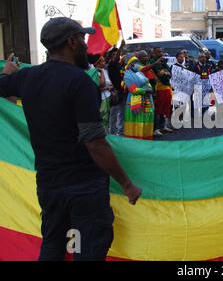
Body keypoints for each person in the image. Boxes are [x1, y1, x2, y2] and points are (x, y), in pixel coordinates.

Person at [0, 17, 141, 261]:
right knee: (89, 249)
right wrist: (126, 183)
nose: (88, 46)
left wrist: (6, 72)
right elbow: (95, 142)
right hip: (84, 187)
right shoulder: (79, 83)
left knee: (54, 244)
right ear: (72, 42)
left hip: (48, 184)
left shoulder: (28, 78)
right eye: (83, 40)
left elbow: (3, 85)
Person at [123, 54, 155, 140]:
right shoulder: (127, 75)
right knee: (136, 122)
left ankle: (146, 139)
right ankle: (136, 142)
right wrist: (146, 90)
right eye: (135, 63)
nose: (138, 65)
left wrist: (149, 88)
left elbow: (147, 83)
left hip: (146, 100)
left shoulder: (140, 73)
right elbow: (133, 90)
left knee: (145, 121)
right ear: (131, 65)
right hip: (134, 102)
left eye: (137, 62)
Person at [148, 47, 173, 137]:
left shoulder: (163, 62)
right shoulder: (152, 62)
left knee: (165, 108)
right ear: (154, 53)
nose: (161, 53)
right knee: (158, 109)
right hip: (158, 88)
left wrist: (165, 72)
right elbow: (159, 74)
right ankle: (156, 129)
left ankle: (163, 126)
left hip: (166, 87)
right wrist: (164, 73)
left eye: (162, 51)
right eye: (159, 52)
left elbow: (169, 73)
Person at [107, 41, 126, 136]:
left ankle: (121, 132)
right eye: (114, 55)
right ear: (111, 57)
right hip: (115, 92)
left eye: (117, 54)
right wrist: (121, 47)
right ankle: (112, 132)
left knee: (122, 112)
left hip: (122, 91)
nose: (117, 56)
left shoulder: (120, 65)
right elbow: (115, 60)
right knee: (113, 113)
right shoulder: (111, 65)